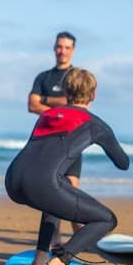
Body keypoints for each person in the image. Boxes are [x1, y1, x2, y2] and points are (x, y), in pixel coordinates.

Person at [6, 68, 129, 265]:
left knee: (56, 196)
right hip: (42, 185)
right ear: (93, 95)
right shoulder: (95, 125)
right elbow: (122, 163)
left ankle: (39, 259)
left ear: (65, 92)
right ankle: (58, 262)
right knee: (106, 219)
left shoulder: (46, 115)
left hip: (13, 180)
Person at [28, 31, 83, 246]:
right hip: (48, 143)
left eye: (67, 47)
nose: (63, 51)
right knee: (50, 190)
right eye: (60, 46)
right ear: (54, 48)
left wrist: (46, 100)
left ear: (73, 50)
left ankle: (79, 239)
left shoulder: (77, 76)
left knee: (72, 189)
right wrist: (62, 105)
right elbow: (32, 105)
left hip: (72, 142)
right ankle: (56, 241)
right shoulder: (43, 77)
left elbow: (77, 103)